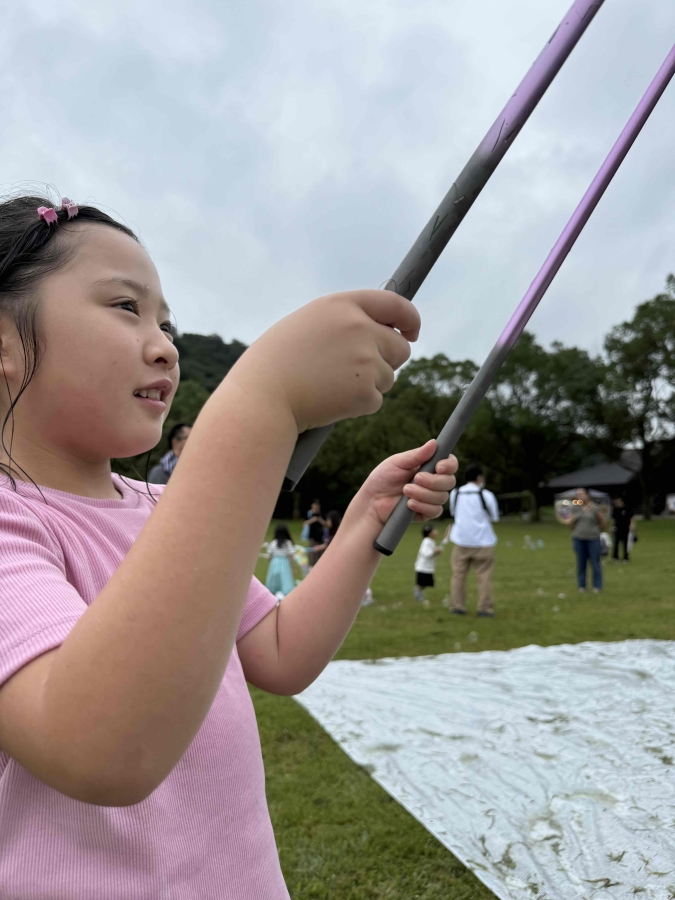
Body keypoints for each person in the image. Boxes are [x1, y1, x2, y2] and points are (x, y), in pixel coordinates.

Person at [0, 192, 458, 899]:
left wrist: (365, 523)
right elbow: (100, 748)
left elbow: (278, 651)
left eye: (166, 322)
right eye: (125, 307)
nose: (164, 345)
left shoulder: (165, 509)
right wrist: (260, 401)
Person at [445, 463, 499, 617]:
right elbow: (494, 517)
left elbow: (454, 513)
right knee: (484, 576)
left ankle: (457, 606)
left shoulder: (456, 493)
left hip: (461, 540)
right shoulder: (486, 495)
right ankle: (484, 608)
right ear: (479, 477)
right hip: (483, 541)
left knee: (458, 575)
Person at [566, 487, 606, 592]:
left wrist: (596, 531)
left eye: (582, 494)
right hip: (578, 538)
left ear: (587, 495)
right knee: (581, 563)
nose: (579, 496)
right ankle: (581, 586)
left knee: (595, 562)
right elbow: (570, 523)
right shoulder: (575, 508)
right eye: (578, 494)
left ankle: (597, 586)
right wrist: (576, 530)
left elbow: (602, 522)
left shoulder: (595, 508)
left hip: (593, 539)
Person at [264, 523, 299, 599]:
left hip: (274, 562)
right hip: (285, 563)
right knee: (285, 578)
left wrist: (271, 563)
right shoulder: (288, 543)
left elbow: (270, 556)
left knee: (274, 578)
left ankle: (273, 593)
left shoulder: (273, 543)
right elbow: (291, 557)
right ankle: (285, 594)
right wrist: (293, 569)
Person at [414, 524, 442, 604]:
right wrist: (435, 551)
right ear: (430, 533)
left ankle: (420, 595)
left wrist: (437, 552)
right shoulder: (426, 542)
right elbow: (426, 553)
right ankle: (418, 596)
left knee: (425, 583)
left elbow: (432, 553)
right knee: (421, 584)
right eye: (434, 530)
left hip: (428, 568)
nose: (436, 531)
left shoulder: (431, 541)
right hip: (423, 567)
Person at [303, 498, 326, 566]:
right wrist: (312, 520)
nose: (316, 507)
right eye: (315, 505)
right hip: (312, 536)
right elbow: (304, 523)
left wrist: (320, 520)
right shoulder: (309, 514)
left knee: (320, 552)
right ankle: (312, 564)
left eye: (317, 505)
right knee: (312, 551)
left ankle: (320, 564)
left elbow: (326, 524)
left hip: (321, 536)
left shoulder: (321, 514)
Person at [611, 496, 634, 562]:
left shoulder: (627, 508)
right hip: (617, 528)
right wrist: (612, 527)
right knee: (616, 543)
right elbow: (614, 519)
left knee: (625, 543)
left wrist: (632, 525)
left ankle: (625, 557)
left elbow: (631, 518)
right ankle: (615, 557)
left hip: (625, 528)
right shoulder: (615, 509)